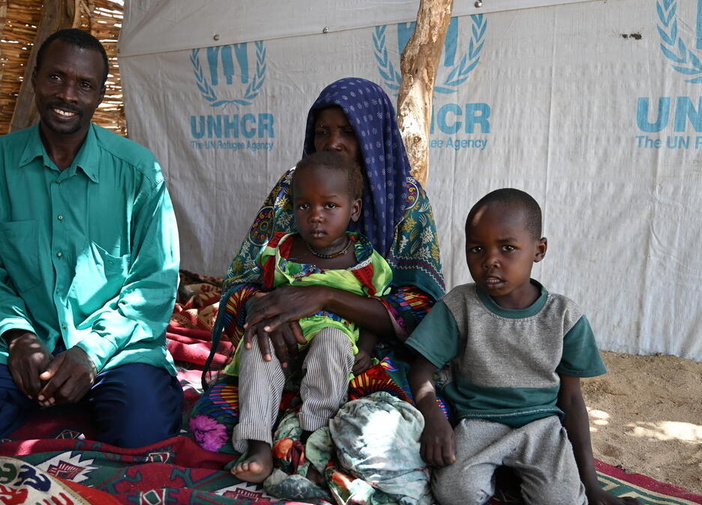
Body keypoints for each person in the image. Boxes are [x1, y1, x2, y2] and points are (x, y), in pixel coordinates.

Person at [0, 28, 183, 460]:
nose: (67, 94)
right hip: (20, 347)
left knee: (144, 430)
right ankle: (43, 395)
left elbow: (155, 283)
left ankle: (56, 399)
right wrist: (18, 337)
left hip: (114, 347)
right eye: (56, 78)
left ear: (100, 94)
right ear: (35, 79)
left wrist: (90, 351)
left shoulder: (137, 171)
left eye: (84, 84)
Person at [190, 77, 447, 494]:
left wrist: (325, 295)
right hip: (281, 348)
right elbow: (242, 277)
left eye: (349, 132)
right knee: (209, 428)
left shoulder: (407, 200)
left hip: (367, 353)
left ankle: (309, 437)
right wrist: (270, 311)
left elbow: (420, 306)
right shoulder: (295, 185)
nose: (333, 142)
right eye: (323, 131)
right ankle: (275, 442)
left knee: (393, 429)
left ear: (374, 136)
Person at [406, 188, 641, 505]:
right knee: (453, 493)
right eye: (477, 249)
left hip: (541, 427)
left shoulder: (564, 317)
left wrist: (592, 485)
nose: (490, 261)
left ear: (539, 250)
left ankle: (515, 473)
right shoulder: (459, 305)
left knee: (563, 501)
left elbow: (571, 400)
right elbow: (421, 370)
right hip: (477, 422)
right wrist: (434, 418)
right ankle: (504, 472)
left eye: (507, 248)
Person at [229, 151, 393, 483]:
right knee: (255, 350)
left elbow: (380, 308)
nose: (316, 216)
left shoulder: (367, 262)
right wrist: (262, 319)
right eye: (305, 206)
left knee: (333, 341)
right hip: (283, 339)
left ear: (354, 209)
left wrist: (365, 347)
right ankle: (258, 443)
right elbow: (263, 294)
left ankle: (315, 433)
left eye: (330, 206)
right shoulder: (281, 251)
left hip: (331, 341)